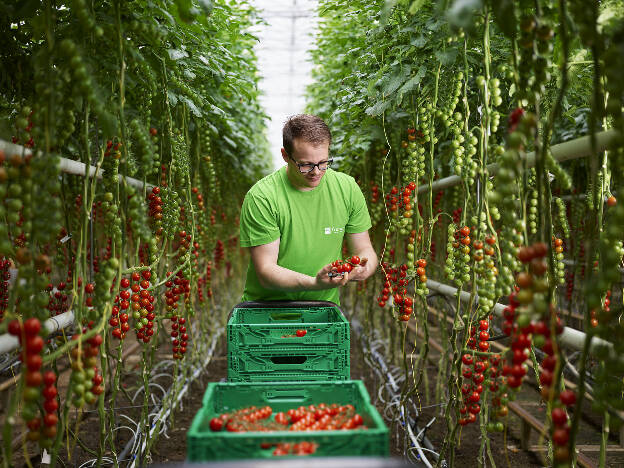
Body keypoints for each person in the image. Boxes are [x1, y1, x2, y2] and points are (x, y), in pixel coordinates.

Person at [238, 114, 378, 305]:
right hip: (266, 309)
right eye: (306, 164)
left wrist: (363, 268)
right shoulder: (262, 197)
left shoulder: (347, 189)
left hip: (322, 309)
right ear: (285, 156)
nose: (316, 172)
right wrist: (314, 283)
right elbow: (266, 271)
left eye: (323, 163)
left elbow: (365, 250)